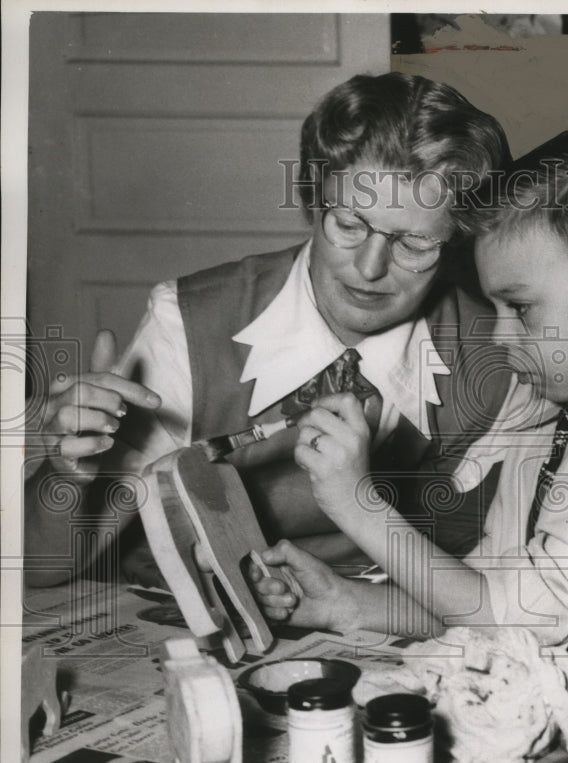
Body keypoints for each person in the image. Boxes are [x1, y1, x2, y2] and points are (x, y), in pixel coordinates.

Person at [254, 124, 568, 691]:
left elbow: (520, 618)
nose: (499, 336)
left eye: (522, 308)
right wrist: (345, 603)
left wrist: (359, 506)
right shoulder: (556, 420)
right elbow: (477, 599)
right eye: (496, 309)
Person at [24, 72, 513, 587]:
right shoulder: (190, 324)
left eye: (413, 244)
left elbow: (489, 589)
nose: (370, 268)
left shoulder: (499, 356)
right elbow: (40, 568)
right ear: (312, 202)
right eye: (348, 224)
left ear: (456, 241)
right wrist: (66, 474)